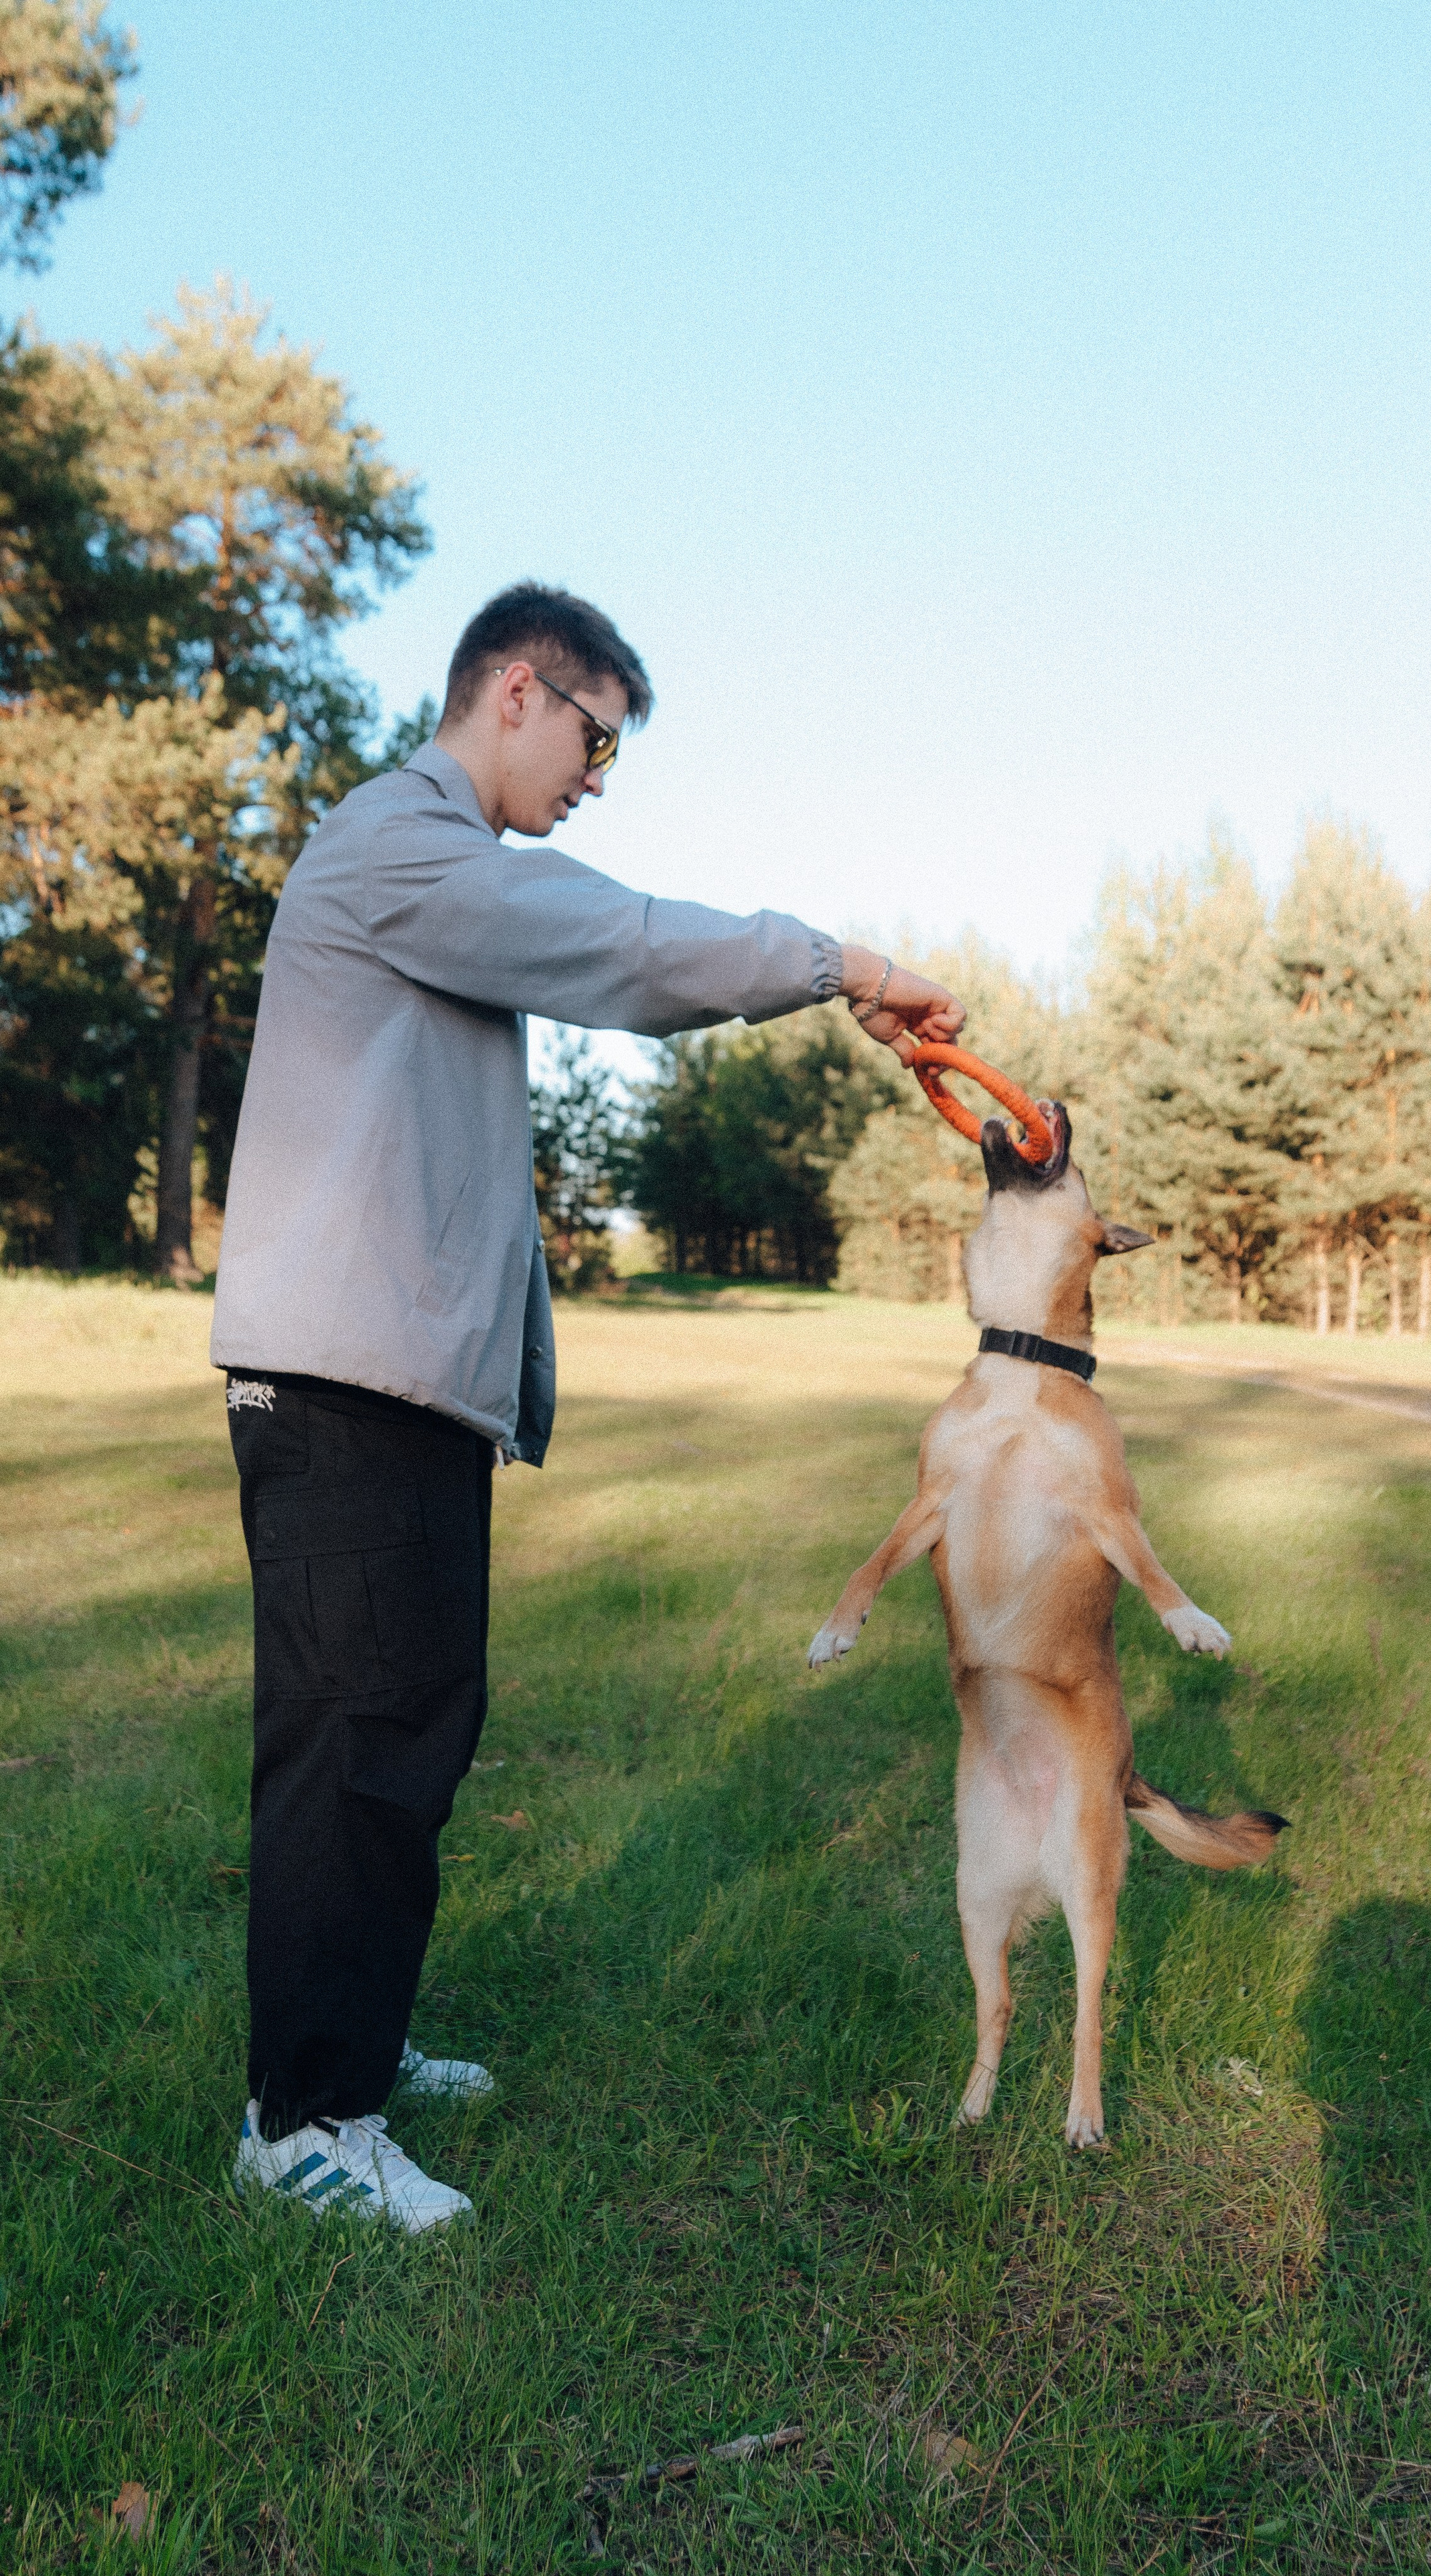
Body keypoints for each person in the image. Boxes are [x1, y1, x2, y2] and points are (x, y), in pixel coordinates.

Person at [210, 582, 964, 2229]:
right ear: (516, 691)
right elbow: (619, 946)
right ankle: (301, 2129)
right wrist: (836, 962)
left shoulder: (428, 868)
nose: (598, 774)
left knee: (414, 1725)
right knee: (356, 1743)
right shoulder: (403, 846)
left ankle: (353, 2048)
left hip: (393, 1385)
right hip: (344, 1385)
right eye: (595, 737)